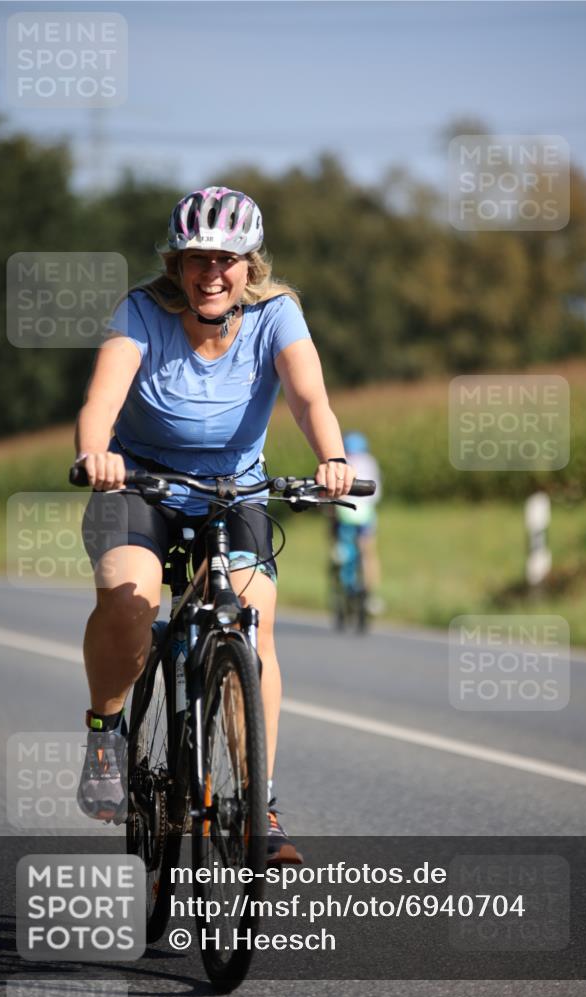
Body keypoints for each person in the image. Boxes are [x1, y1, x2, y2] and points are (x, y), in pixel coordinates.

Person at [74, 186, 356, 863]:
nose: (211, 273)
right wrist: (95, 453)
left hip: (234, 493)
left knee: (252, 616)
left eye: (226, 259)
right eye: (196, 258)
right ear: (175, 264)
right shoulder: (141, 311)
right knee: (128, 596)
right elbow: (101, 399)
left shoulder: (276, 315)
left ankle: (257, 802)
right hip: (141, 484)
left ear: (249, 266)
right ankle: (106, 735)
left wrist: (333, 459)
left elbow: (308, 397)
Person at [331, 431, 382, 612]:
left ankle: (337, 559)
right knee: (368, 553)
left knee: (340, 546)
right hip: (366, 515)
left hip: (344, 514)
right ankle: (371, 595)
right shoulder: (370, 462)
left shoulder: (341, 463)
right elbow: (376, 492)